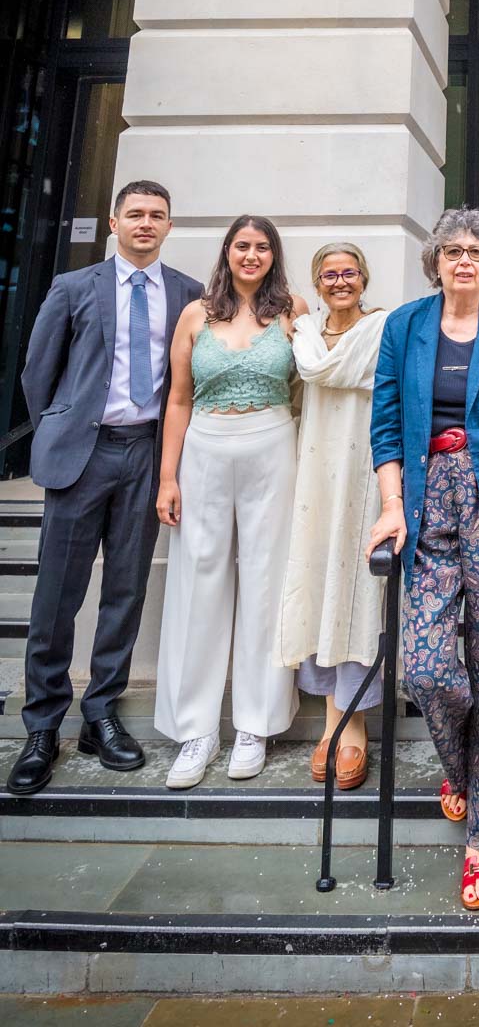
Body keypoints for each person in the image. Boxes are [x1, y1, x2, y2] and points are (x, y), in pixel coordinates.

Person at [367, 207, 479, 913]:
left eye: (476, 251)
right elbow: (385, 421)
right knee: (429, 666)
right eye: (452, 250)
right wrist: (391, 506)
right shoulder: (405, 327)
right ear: (434, 260)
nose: (464, 260)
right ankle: (467, 769)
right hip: (426, 502)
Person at [7, 182, 202, 797]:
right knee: (56, 595)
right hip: (82, 457)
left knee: (126, 586)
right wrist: (62, 432)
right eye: (136, 214)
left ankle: (100, 713)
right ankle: (41, 726)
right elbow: (38, 373)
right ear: (115, 221)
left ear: (170, 225)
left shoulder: (188, 294)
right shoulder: (73, 288)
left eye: (158, 216)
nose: (146, 224)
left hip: (145, 454)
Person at [154, 216, 308, 789]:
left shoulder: (293, 309)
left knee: (267, 580)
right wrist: (167, 478)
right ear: (228, 252)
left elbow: (317, 375)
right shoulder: (196, 313)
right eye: (242, 246)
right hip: (205, 449)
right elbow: (177, 400)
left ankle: (255, 723)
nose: (251, 255)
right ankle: (195, 729)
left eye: (262, 246)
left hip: (273, 444)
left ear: (274, 255)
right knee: (198, 579)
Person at [279, 242, 387, 793]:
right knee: (319, 583)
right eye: (329, 274)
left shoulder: (384, 330)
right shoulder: (302, 336)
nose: (339, 281)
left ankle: (356, 724)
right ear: (317, 285)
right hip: (314, 473)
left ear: (363, 278)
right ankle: (328, 721)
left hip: (367, 470)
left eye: (348, 272)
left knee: (358, 590)